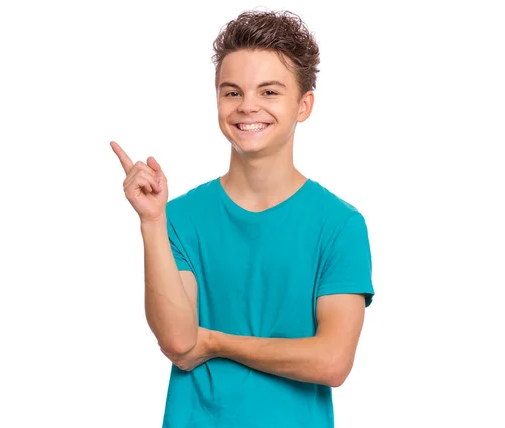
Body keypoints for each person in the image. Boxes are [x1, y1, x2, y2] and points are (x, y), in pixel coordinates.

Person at [111, 9, 375, 428]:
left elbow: (332, 361)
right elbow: (179, 340)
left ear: (304, 104)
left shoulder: (340, 225)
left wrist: (214, 342)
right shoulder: (177, 216)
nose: (247, 106)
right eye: (232, 92)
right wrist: (151, 222)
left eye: (269, 92)